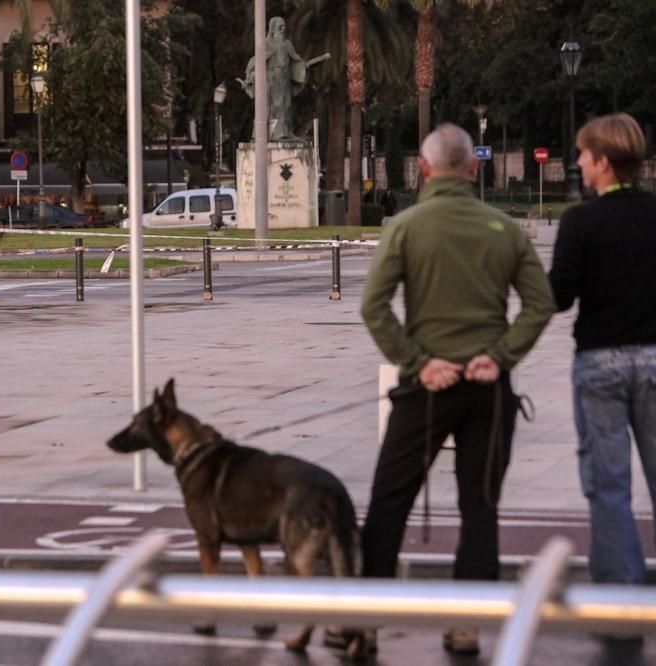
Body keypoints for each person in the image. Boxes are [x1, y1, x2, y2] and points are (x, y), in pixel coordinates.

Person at [351, 123, 555, 657]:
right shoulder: (503, 228)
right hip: (488, 386)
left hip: (428, 384)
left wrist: (416, 361)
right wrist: (502, 354)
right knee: (480, 506)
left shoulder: (406, 227)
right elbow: (540, 304)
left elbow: (373, 306)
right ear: (473, 167)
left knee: (389, 501)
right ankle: (467, 622)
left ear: (422, 170)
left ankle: (364, 619)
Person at [549, 113, 656, 603]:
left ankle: (620, 592)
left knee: (608, 485)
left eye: (583, 157)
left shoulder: (581, 222)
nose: (578, 164)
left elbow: (561, 296)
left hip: (600, 362)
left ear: (604, 163)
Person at [242, 17, 304, 140]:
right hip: (270, 79)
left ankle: (285, 132)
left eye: (284, 26)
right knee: (269, 106)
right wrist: (252, 76)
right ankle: (265, 133)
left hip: (284, 78)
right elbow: (256, 61)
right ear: (272, 28)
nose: (283, 29)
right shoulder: (266, 44)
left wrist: (303, 67)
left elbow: (296, 60)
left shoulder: (287, 44)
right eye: (280, 26)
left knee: (286, 106)